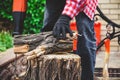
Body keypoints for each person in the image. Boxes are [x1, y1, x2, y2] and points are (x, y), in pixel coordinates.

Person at [41, 0, 98, 80]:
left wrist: (65, 17)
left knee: (85, 33)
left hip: (84, 2)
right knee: (47, 31)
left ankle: (86, 77)